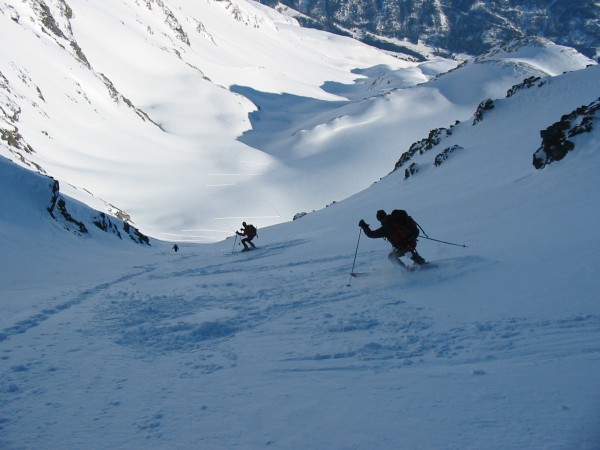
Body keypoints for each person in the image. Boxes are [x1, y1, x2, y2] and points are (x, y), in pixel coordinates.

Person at [359, 209, 427, 267]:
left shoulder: (385, 228)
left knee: (392, 257)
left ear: (378, 219)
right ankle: (420, 261)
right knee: (408, 251)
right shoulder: (396, 220)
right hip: (412, 241)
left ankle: (406, 269)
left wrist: (364, 227)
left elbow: (371, 234)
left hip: (404, 246)